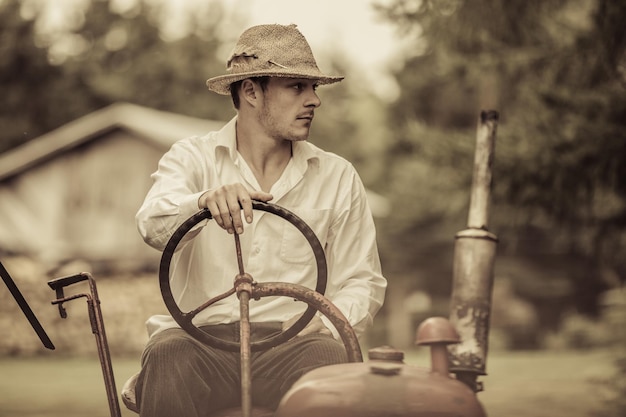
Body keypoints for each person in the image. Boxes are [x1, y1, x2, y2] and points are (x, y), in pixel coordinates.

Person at [134, 23, 387, 416]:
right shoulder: (192, 158)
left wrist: (325, 323)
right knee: (168, 355)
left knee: (331, 362)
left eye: (314, 88)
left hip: (295, 342)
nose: (314, 100)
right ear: (251, 91)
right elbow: (152, 224)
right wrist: (204, 202)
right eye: (297, 87)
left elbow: (362, 279)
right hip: (200, 340)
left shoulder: (337, 175)